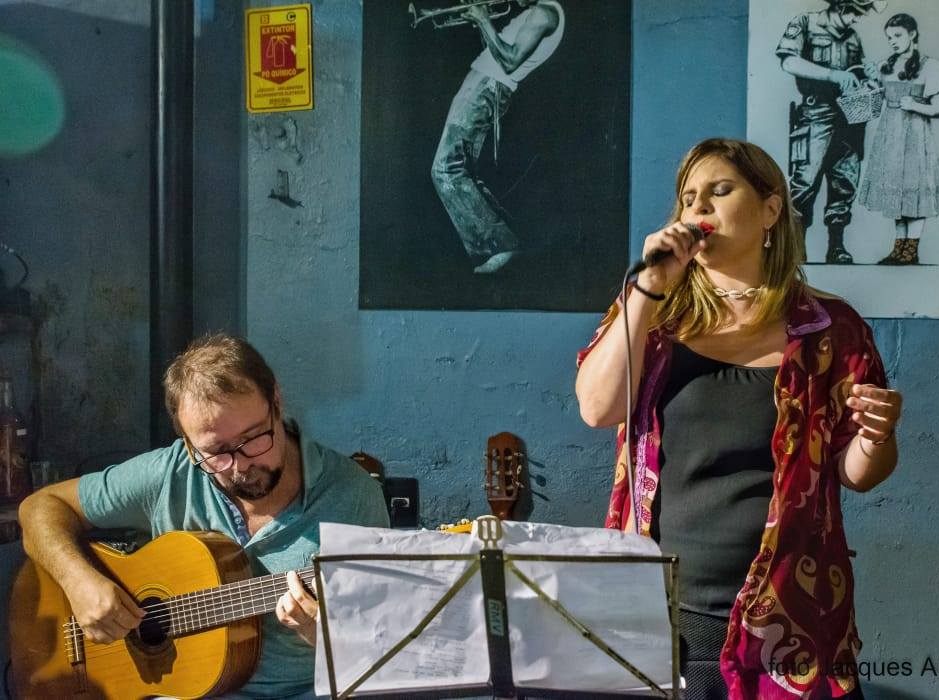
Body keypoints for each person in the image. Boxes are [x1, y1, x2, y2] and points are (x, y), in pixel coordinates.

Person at [575, 139, 903, 699]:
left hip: (788, 615)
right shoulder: (656, 317)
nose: (698, 206)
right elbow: (597, 408)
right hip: (662, 609)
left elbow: (857, 473)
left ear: (770, 210)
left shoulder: (830, 328)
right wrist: (648, 287)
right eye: (687, 198)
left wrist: (877, 435)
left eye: (719, 190)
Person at [18, 333, 389, 699]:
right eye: (216, 452)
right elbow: (39, 508)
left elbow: (377, 655)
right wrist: (78, 582)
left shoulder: (352, 497)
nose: (241, 466)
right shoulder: (169, 473)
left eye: (254, 437)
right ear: (187, 443)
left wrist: (322, 637)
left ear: (276, 402)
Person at [431, 0, 563, 274]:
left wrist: (483, 19)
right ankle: (504, 245)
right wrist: (481, 24)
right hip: (484, 85)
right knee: (463, 171)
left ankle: (500, 246)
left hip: (486, 88)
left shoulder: (545, 13)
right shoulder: (537, 12)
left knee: (446, 169)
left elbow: (510, 61)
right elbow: (496, 55)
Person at [776, 0, 887, 264]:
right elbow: (789, 62)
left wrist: (870, 75)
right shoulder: (805, 23)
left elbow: (857, 74)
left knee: (844, 182)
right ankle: (796, 246)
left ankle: (836, 246)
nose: (856, 20)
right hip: (816, 114)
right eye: (855, 13)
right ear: (841, 6)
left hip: (850, 116)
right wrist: (831, 75)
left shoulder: (853, 37)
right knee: (805, 182)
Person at [857, 13, 939, 265]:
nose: (893, 41)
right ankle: (898, 249)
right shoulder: (887, 66)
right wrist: (870, 80)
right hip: (890, 137)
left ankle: (911, 250)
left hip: (916, 137)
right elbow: (876, 98)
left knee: (914, 190)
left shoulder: (930, 67)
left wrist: (915, 106)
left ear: (913, 34)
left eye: (898, 36)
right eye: (889, 38)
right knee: (896, 193)